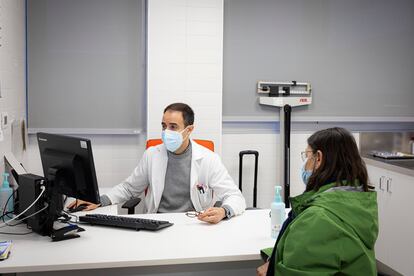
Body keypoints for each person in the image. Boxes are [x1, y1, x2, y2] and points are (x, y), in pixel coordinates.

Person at [68, 103, 246, 224]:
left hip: (194, 223)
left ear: (189, 130)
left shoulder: (208, 158)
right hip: (157, 222)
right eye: (163, 126)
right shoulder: (153, 155)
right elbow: (129, 188)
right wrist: (99, 200)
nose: (166, 131)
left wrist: (224, 211)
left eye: (173, 127)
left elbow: (235, 197)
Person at [257, 127, 378, 276]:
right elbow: (324, 252)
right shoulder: (357, 201)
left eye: (307, 156)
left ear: (318, 158)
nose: (305, 163)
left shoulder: (318, 218)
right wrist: (273, 257)